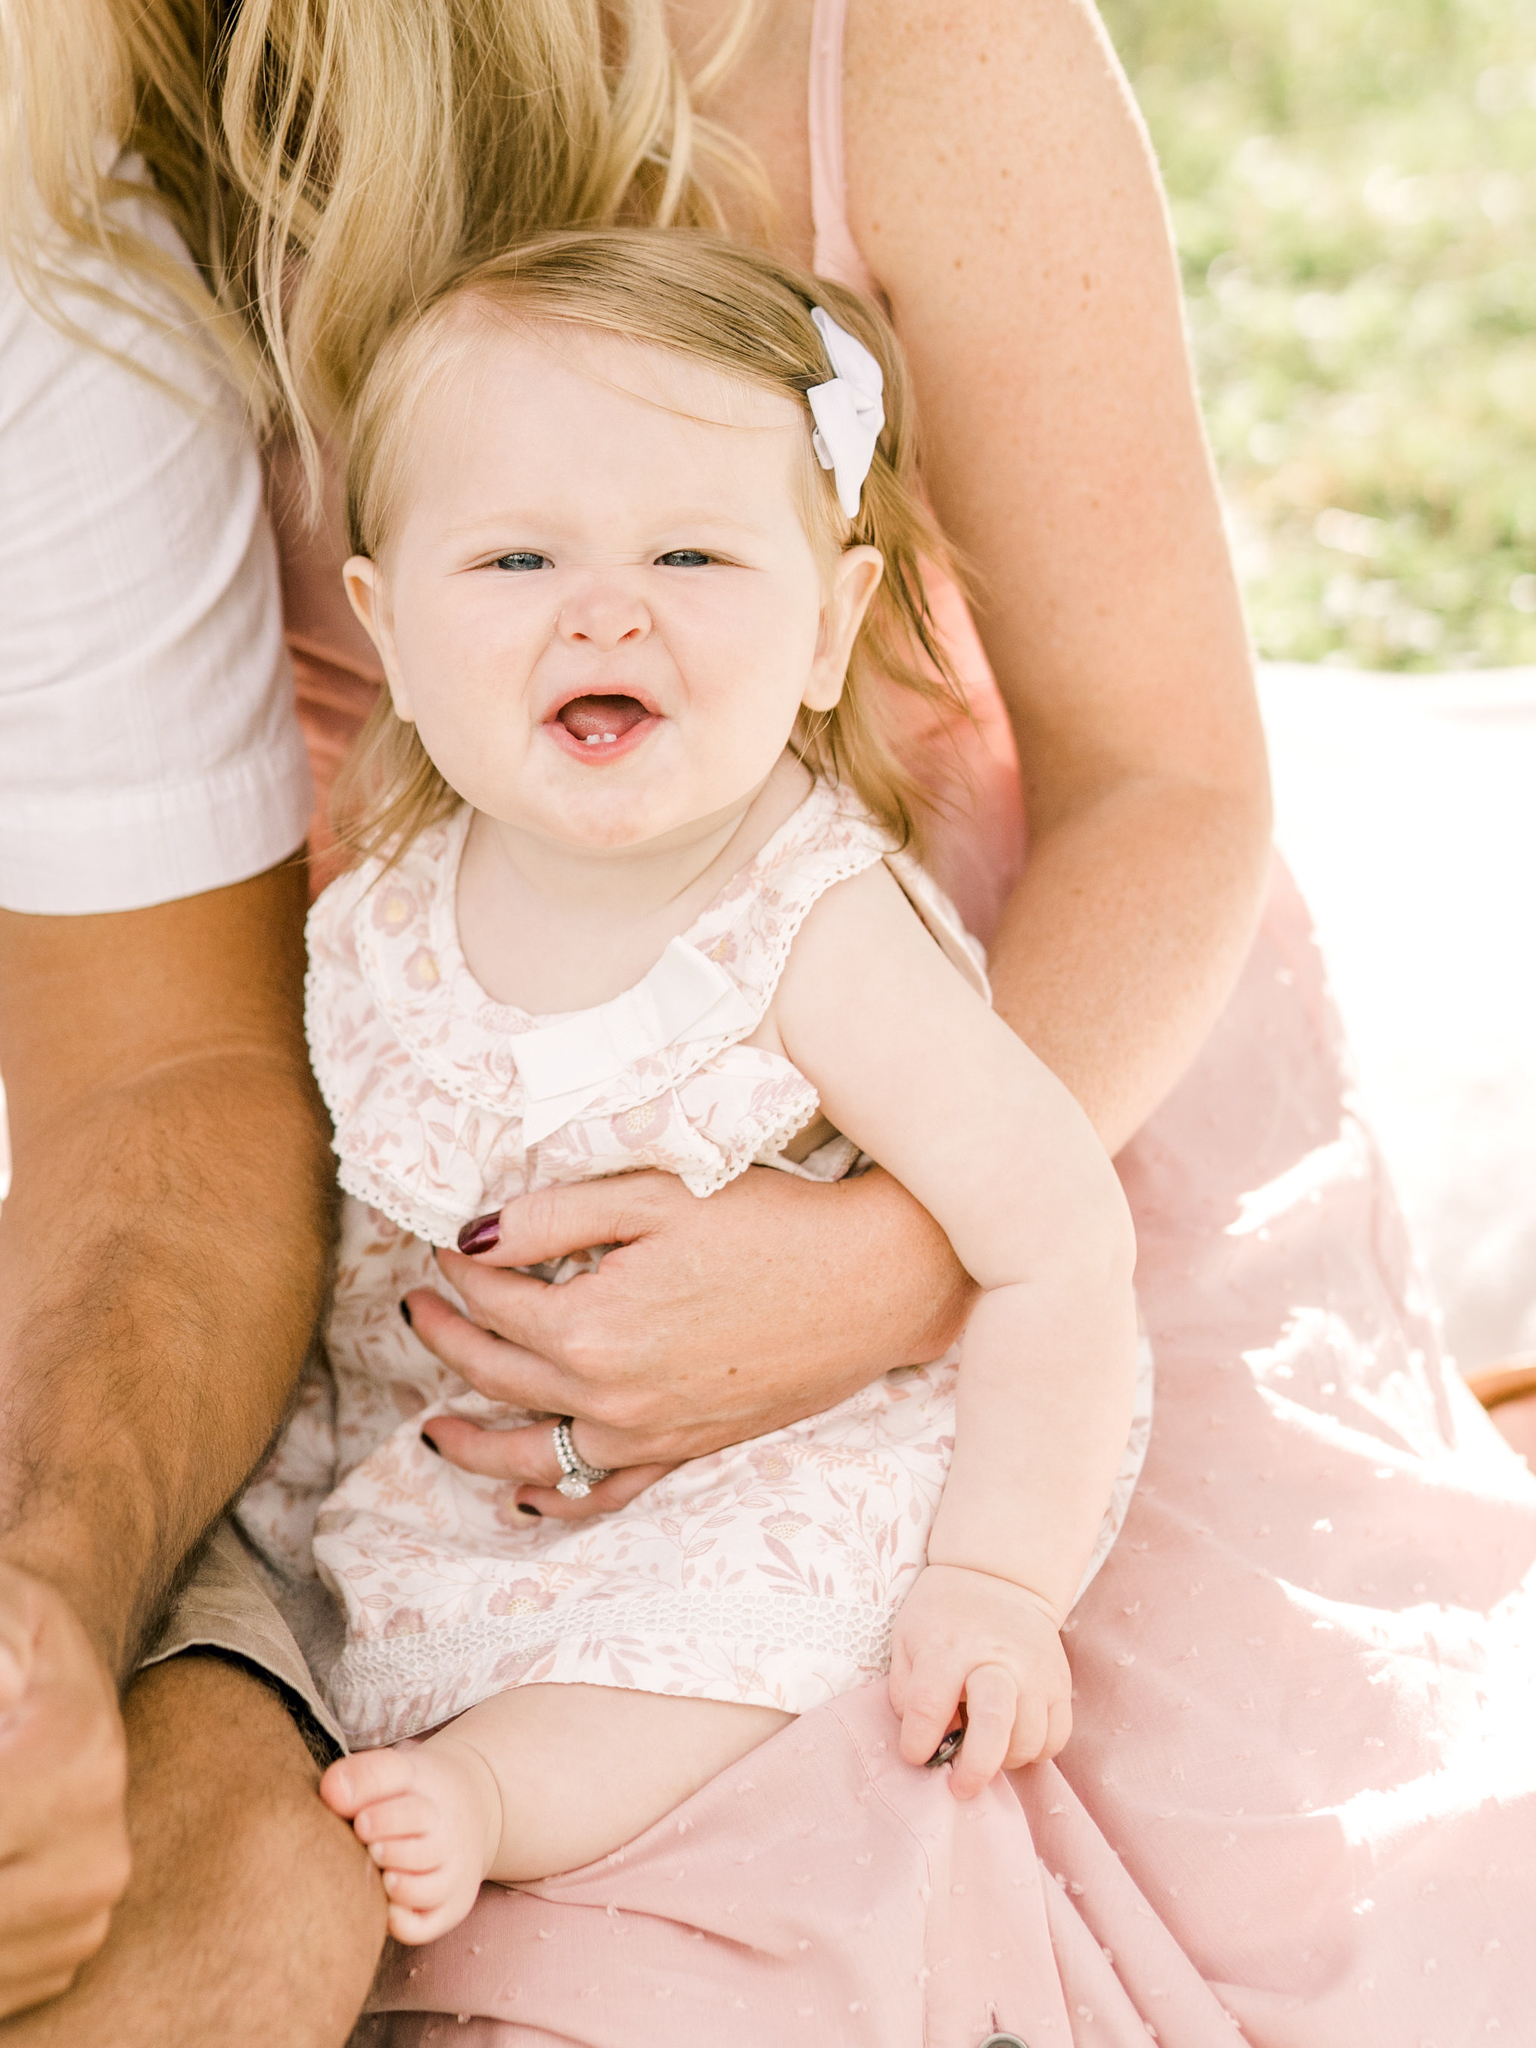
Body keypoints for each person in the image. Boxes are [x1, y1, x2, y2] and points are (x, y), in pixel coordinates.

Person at [1, 1, 1531, 2042]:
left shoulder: (906, 54)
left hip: (972, 1057)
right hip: (421, 1106)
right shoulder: (93, 95)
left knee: (1038, 1840)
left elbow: (1172, 784)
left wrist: (890, 1263)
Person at [232, 230, 1146, 1945]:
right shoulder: (380, 910)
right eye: (514, 556)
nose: (606, 608)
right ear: (390, 630)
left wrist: (998, 1581)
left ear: (831, 628)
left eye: (692, 552)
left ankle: (508, 1786)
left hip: (773, 1445)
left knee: (725, 1628)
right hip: (454, 1447)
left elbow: (1059, 1243)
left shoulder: (807, 928)